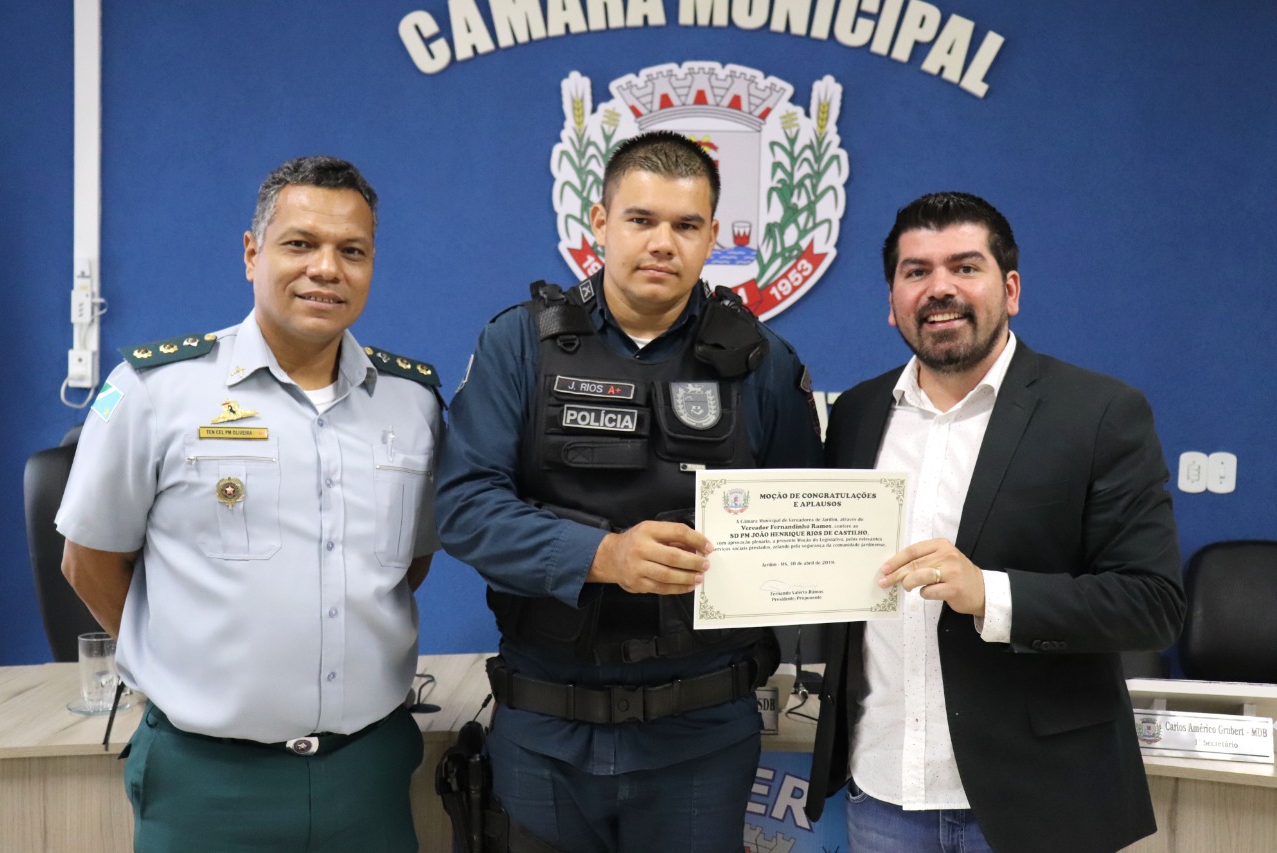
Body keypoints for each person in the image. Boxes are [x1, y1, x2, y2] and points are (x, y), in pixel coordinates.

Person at [436, 130, 822, 852]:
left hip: (701, 734)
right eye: (641, 220)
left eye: (686, 225)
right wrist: (603, 555)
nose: (662, 244)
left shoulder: (763, 363)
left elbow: (804, 526)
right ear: (601, 222)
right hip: (545, 726)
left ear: (713, 237)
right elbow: (463, 506)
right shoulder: (520, 344)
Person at [57, 155, 443, 853]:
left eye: (352, 251)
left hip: (368, 772)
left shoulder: (412, 403)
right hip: (208, 780)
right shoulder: (155, 391)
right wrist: (181, 661)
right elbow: (89, 561)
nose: (326, 268)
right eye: (300, 244)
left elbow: (405, 568)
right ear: (251, 253)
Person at [805, 191, 1185, 853]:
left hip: (1041, 800)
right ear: (892, 301)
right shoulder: (857, 413)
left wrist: (991, 593)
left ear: (1010, 290)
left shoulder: (1098, 413)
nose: (940, 288)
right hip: (883, 794)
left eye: (965, 266)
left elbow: (1151, 604)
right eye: (916, 271)